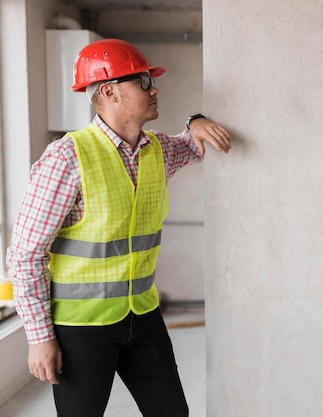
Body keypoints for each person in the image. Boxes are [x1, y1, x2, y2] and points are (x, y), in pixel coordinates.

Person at [5, 38, 231, 417]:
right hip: (81, 328)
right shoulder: (68, 157)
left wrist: (195, 119)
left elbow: (193, 143)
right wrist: (39, 337)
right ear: (109, 90)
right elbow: (25, 255)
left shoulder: (156, 151)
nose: (154, 88)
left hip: (142, 318)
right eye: (143, 81)